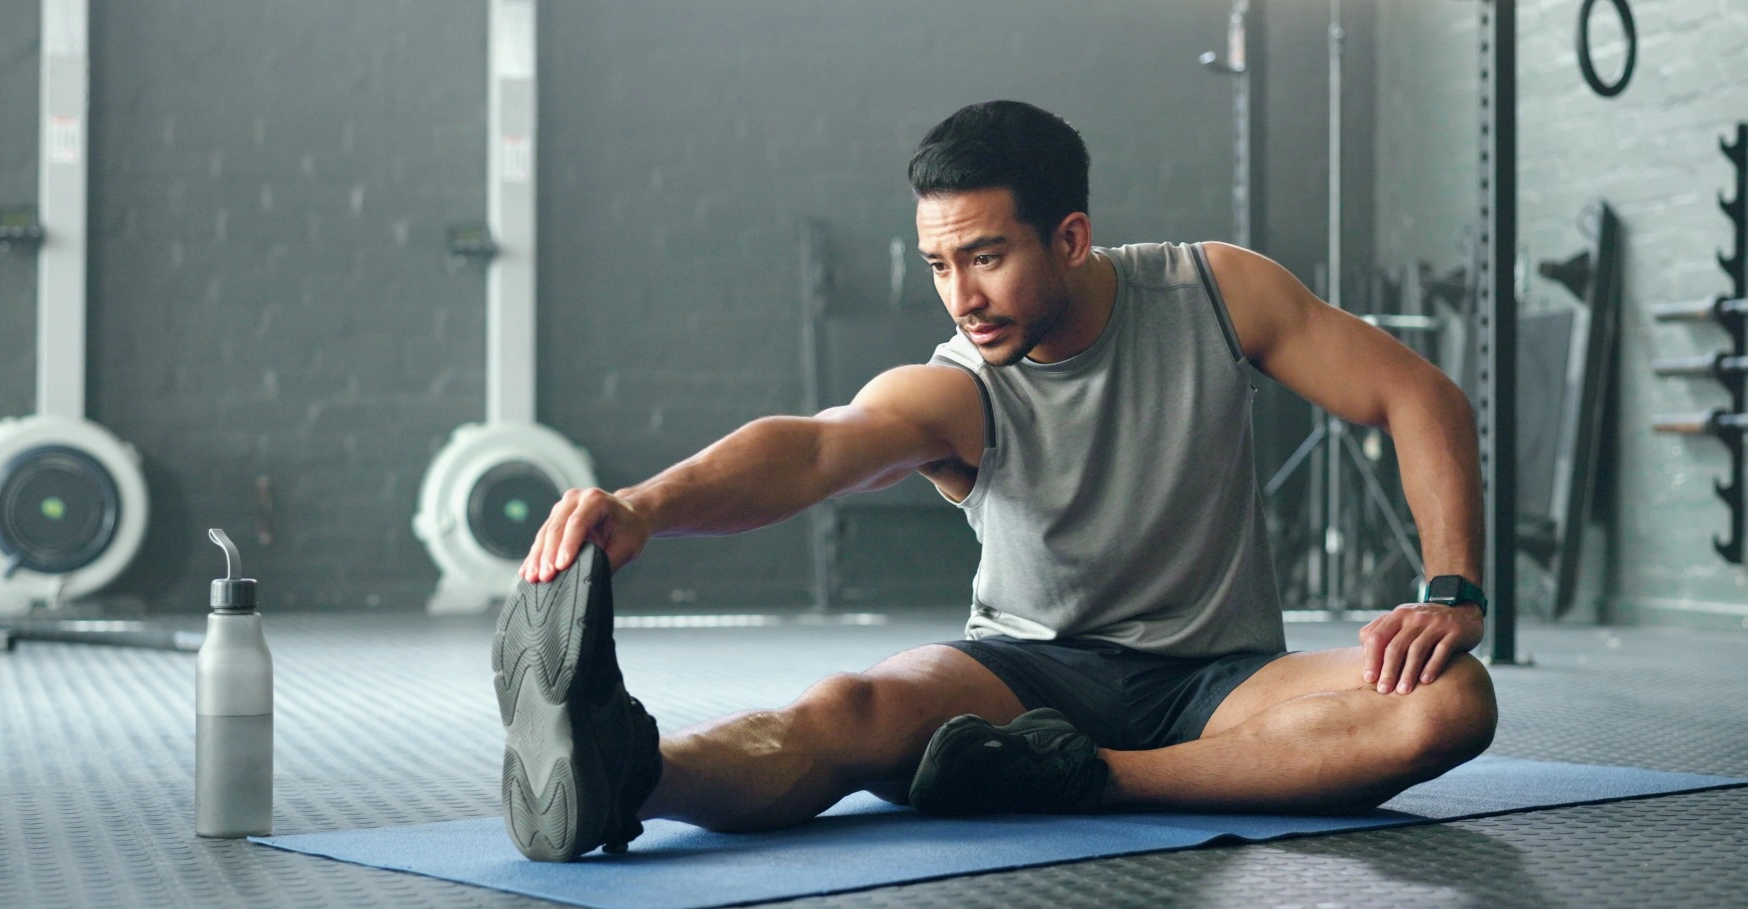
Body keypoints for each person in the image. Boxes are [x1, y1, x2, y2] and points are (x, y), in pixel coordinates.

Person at [493, 100, 1498, 863]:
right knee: (849, 711)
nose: (960, 297)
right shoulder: (959, 388)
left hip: (1221, 681)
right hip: (1021, 674)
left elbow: (1416, 396)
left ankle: (1096, 782)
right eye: (938, 265)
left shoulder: (1212, 292)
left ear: (1068, 237)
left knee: (1447, 704)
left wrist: (1448, 587)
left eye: (983, 256)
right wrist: (643, 508)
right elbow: (813, 448)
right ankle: (629, 773)